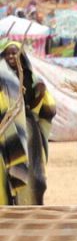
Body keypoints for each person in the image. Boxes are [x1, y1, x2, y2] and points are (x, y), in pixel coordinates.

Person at [0, 40, 55, 205]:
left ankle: (29, 204)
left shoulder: (31, 77)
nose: (11, 56)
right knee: (8, 169)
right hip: (8, 130)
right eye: (8, 53)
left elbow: (37, 107)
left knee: (32, 173)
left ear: (21, 54)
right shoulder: (2, 78)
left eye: (14, 52)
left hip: (28, 132)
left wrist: (40, 93)